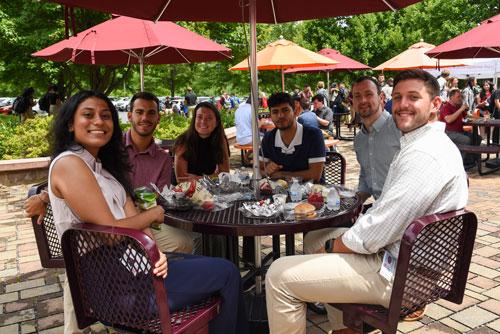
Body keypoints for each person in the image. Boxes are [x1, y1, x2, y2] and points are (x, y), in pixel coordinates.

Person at [265, 69, 468, 334]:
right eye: (398, 97)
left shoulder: (424, 154)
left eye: (413, 97)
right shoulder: (423, 143)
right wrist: (333, 238)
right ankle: (344, 329)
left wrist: (332, 247)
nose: (403, 104)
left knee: (279, 275)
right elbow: (379, 205)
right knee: (316, 236)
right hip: (400, 255)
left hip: (400, 273)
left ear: (435, 105)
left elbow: (378, 230)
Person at [47, 90, 248, 334]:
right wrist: (153, 215)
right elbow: (111, 232)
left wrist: (155, 249)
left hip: (134, 267)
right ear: (70, 124)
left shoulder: (103, 168)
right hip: (116, 287)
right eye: (88, 115)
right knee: (227, 274)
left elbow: (131, 212)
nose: (99, 121)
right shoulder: (70, 163)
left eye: (106, 115)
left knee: (219, 266)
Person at [259, 92, 325, 182]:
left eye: (285, 110)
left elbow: (315, 175)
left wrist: (282, 175)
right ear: (270, 116)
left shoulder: (313, 135)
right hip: (278, 194)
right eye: (275, 112)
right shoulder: (268, 138)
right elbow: (258, 171)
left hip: (311, 193)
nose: (280, 115)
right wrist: (267, 171)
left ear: (295, 111)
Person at [174, 101, 230, 182]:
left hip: (208, 190)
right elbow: (181, 179)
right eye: (199, 117)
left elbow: (225, 174)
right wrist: (213, 176)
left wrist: (198, 178)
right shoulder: (183, 141)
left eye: (209, 118)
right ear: (194, 120)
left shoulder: (220, 139)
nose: (203, 121)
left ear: (217, 122)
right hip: (183, 191)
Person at [439, 88, 480, 167]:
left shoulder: (457, 107)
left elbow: (467, 116)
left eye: (461, 97)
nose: (460, 98)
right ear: (451, 97)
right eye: (458, 97)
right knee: (466, 140)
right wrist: (461, 109)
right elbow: (449, 119)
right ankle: (460, 164)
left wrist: (477, 117)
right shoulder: (446, 107)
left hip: (459, 131)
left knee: (477, 138)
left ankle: (470, 160)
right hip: (448, 133)